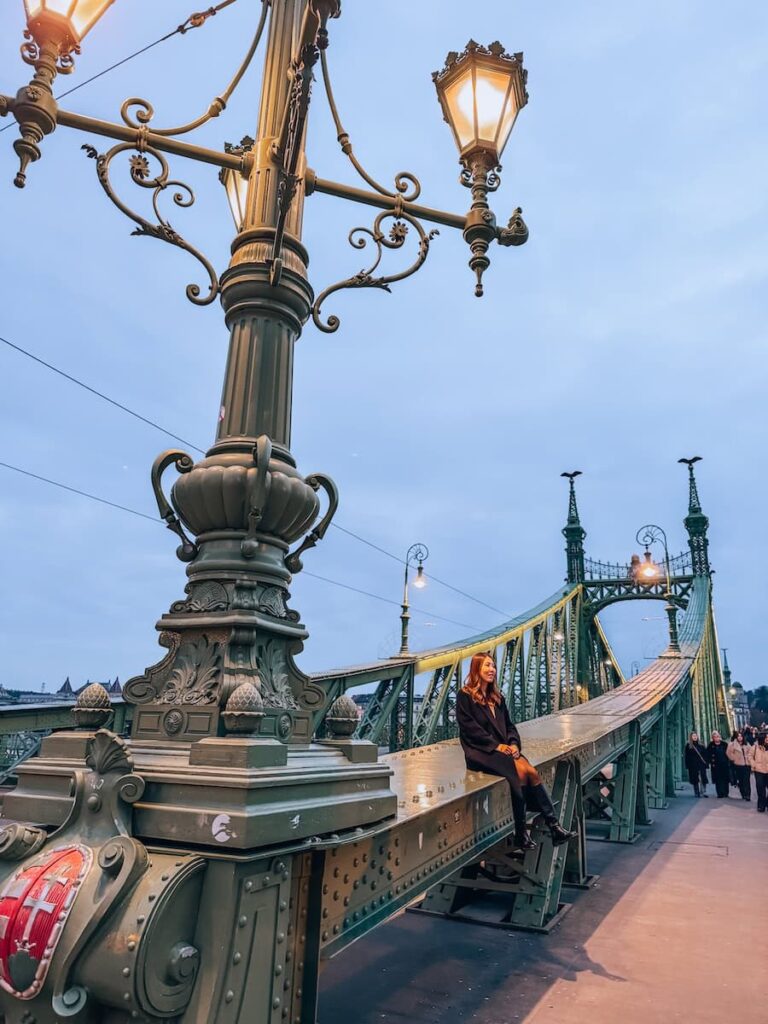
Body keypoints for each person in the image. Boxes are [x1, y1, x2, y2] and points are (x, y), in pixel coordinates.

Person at [456, 652, 578, 852]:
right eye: (487, 665)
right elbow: (469, 727)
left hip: (503, 750)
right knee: (521, 772)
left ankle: (543, 829)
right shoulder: (465, 695)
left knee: (529, 771)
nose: (491, 670)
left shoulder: (497, 698)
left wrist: (513, 744)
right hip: (480, 752)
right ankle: (536, 829)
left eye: (493, 666)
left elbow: (509, 726)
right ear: (476, 668)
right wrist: (496, 746)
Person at [726, 730, 752, 801]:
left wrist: (749, 759)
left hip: (747, 764)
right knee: (741, 780)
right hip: (738, 765)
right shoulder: (732, 744)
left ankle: (748, 795)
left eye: (741, 736)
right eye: (738, 736)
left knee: (747, 780)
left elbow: (751, 752)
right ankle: (743, 793)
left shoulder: (747, 744)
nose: (740, 737)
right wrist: (734, 759)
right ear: (736, 737)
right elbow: (728, 753)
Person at [748, 732, 768, 813]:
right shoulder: (755, 747)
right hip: (759, 771)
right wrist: (754, 764)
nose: (767, 739)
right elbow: (749, 756)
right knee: (761, 790)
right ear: (762, 739)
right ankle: (761, 806)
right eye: (766, 738)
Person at [684, 731, 709, 797]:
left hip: (701, 764)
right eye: (693, 736)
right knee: (695, 778)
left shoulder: (701, 745)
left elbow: (705, 754)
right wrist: (687, 765)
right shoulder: (688, 746)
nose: (695, 737)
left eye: (695, 736)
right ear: (691, 737)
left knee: (703, 777)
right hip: (693, 765)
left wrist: (706, 763)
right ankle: (696, 792)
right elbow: (687, 756)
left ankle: (703, 791)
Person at [707, 731, 731, 798]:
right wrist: (710, 762)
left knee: (725, 779)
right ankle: (719, 793)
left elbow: (729, 753)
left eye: (717, 736)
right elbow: (707, 754)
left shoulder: (724, 744)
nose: (716, 738)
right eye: (715, 737)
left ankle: (726, 793)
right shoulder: (711, 745)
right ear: (713, 738)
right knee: (718, 780)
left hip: (724, 764)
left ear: (719, 737)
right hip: (716, 765)